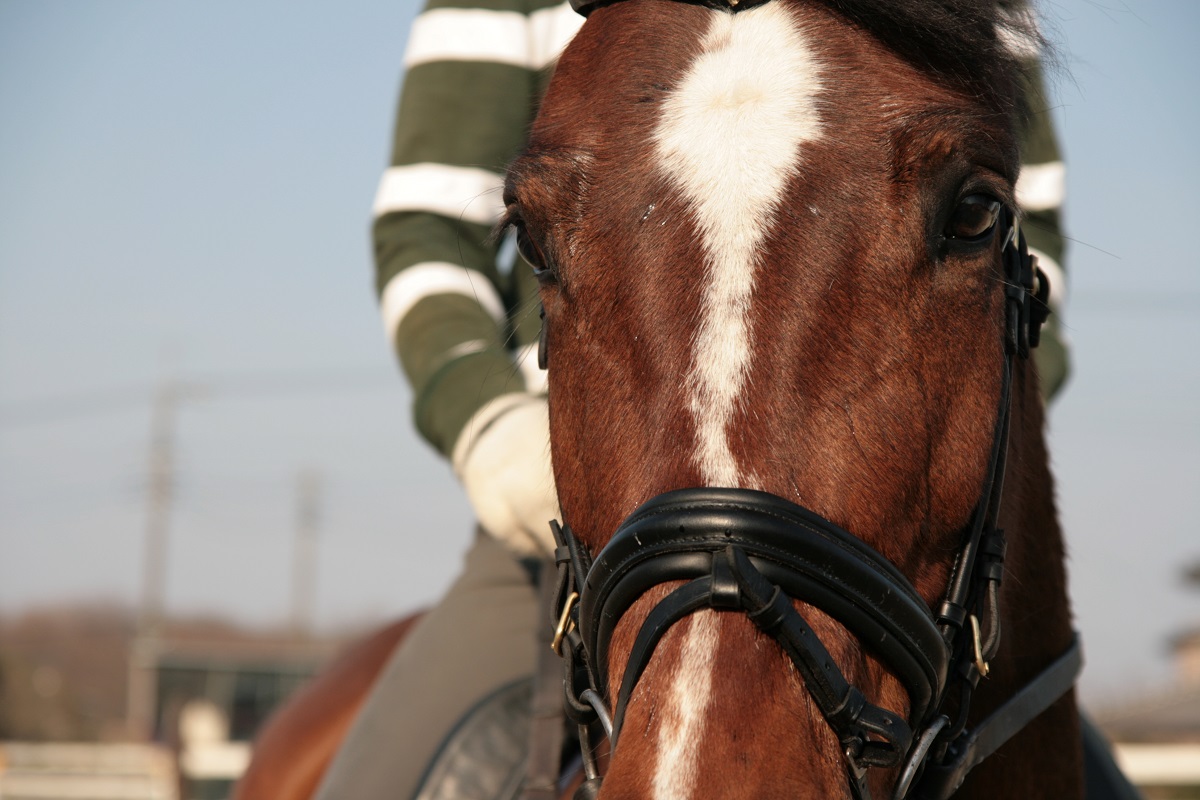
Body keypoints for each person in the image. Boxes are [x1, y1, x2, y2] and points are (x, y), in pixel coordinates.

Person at [316, 2, 1082, 798]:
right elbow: (427, 232)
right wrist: (492, 430)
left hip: (915, 540)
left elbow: (1035, 244)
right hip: (572, 520)